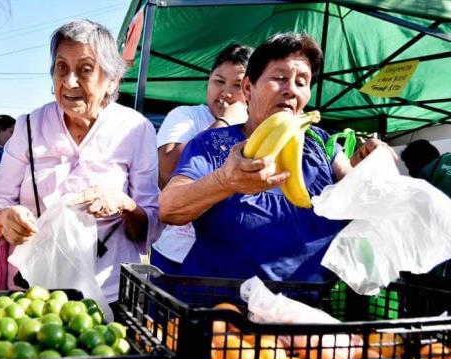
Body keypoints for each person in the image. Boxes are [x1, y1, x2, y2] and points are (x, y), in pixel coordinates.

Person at [158, 32, 396, 281]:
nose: (291, 90)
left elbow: (360, 202)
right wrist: (225, 181)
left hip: (297, 311)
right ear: (249, 88)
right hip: (218, 307)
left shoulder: (322, 143)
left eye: (302, 82)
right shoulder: (214, 144)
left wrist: (370, 170)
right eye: (280, 78)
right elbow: (169, 207)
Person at [0, 20, 161, 301]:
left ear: (112, 79)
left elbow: (150, 223)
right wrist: (6, 218)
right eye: (61, 67)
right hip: (35, 288)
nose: (69, 82)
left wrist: (123, 203)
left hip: (110, 290)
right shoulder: (29, 126)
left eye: (85, 70)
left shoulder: (135, 129)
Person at [152, 44, 253, 272]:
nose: (226, 92)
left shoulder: (258, 130)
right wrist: (224, 123)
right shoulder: (186, 116)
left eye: (237, 85)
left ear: (250, 88)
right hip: (174, 254)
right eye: (218, 81)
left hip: (226, 259)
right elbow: (167, 171)